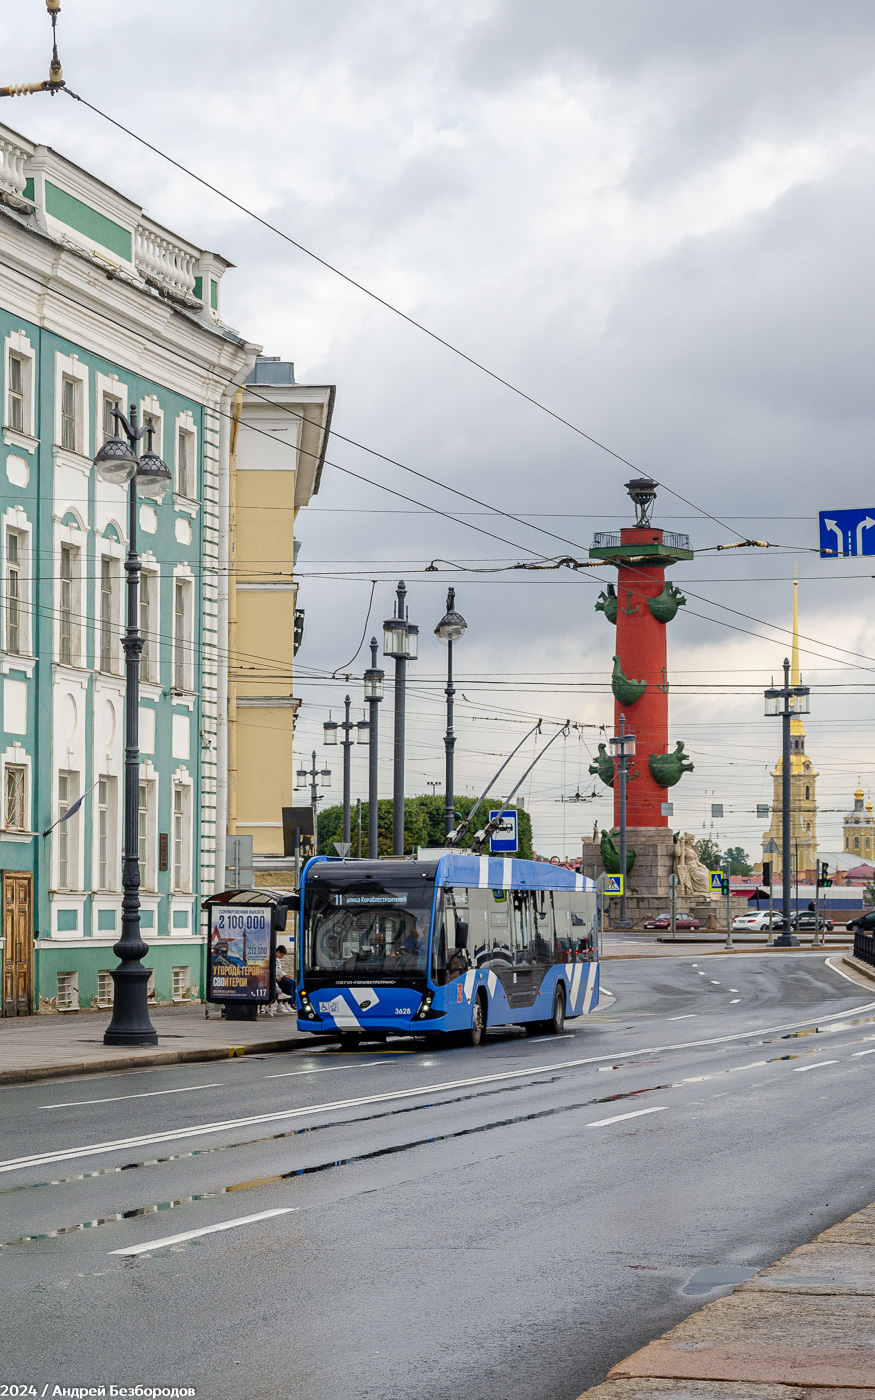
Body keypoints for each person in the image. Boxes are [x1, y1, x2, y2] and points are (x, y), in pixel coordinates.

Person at [274, 944, 295, 1014]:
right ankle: (286, 1003)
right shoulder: (273, 958)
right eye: (282, 955)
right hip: (276, 977)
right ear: (278, 952)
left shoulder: (277, 959)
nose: (282, 957)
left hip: (279, 975)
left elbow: (279, 970)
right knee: (289, 984)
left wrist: (285, 974)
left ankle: (291, 1003)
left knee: (294, 982)